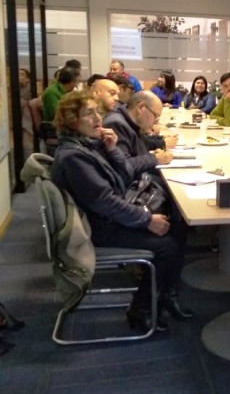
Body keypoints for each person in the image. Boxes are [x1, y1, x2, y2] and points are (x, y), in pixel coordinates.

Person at [51, 91, 191, 332]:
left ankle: (167, 294)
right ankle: (141, 308)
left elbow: (125, 173)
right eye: (89, 114)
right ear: (72, 121)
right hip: (97, 228)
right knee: (167, 245)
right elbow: (105, 201)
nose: (98, 118)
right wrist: (147, 220)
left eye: (97, 112)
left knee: (178, 225)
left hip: (104, 218)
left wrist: (113, 148)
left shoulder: (88, 145)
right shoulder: (74, 157)